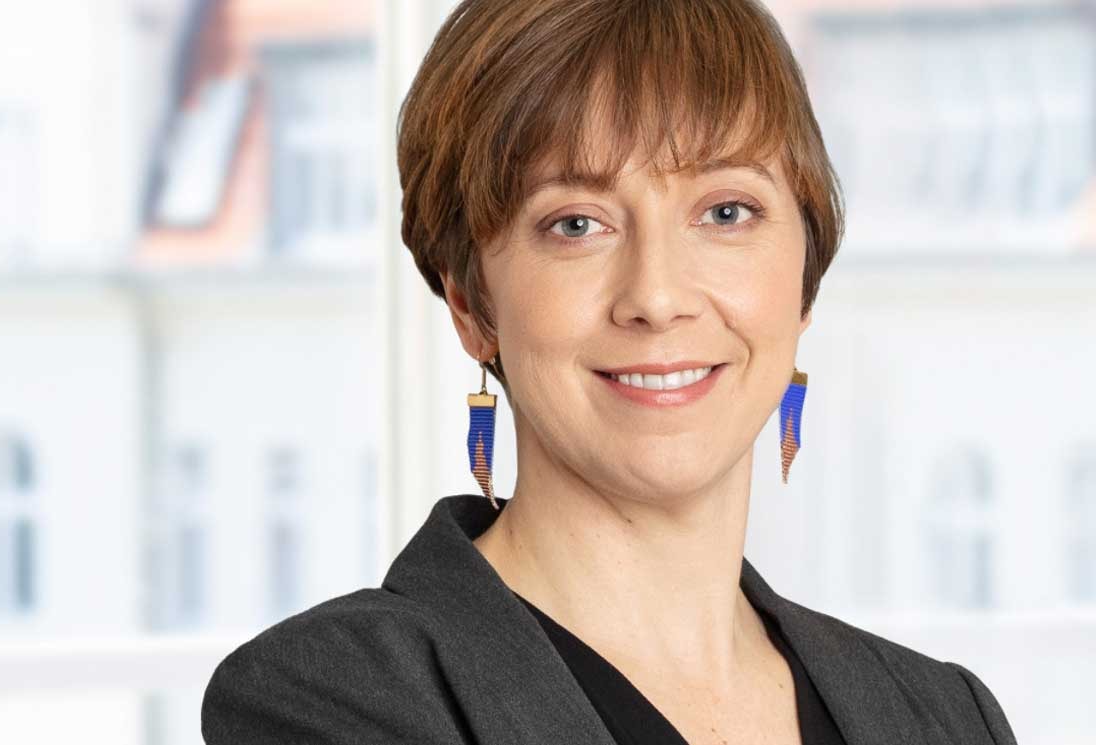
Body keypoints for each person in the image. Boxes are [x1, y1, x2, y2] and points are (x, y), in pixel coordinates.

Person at [201, 1, 1020, 743]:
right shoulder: (333, 699)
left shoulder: (947, 717)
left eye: (726, 211)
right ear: (471, 303)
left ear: (804, 280)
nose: (656, 298)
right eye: (576, 224)